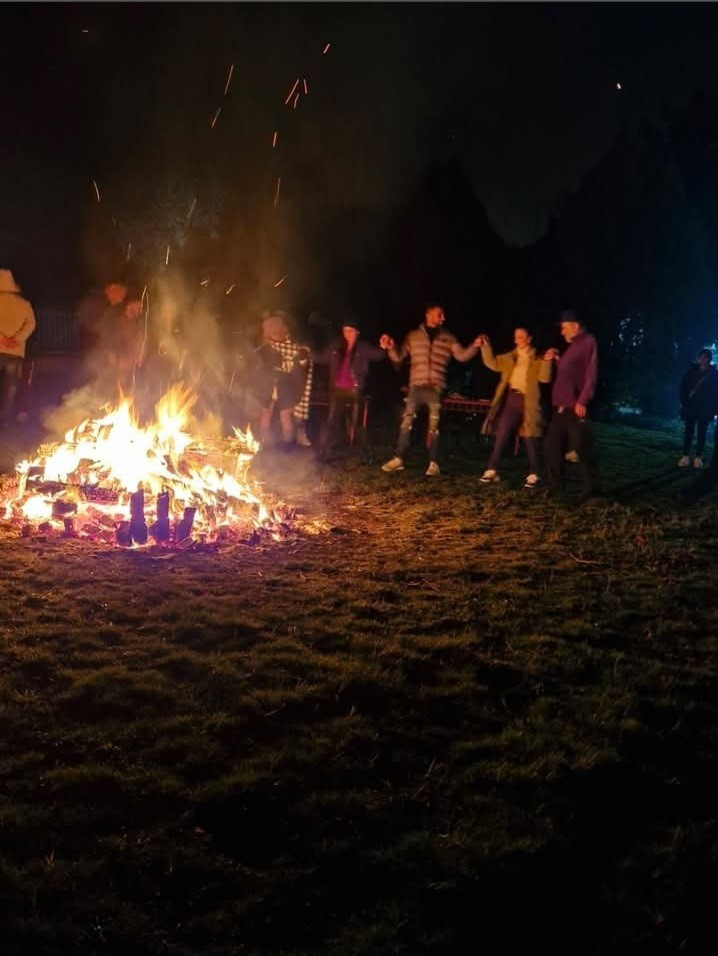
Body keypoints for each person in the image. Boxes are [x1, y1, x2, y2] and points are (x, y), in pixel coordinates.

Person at [381, 302, 482, 476]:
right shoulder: (412, 336)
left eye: (443, 315)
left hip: (436, 388)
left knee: (434, 425)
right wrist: (390, 346)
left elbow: (462, 356)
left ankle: (434, 463)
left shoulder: (448, 337)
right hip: (416, 386)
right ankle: (399, 458)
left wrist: (475, 345)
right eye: (439, 314)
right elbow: (398, 356)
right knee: (407, 422)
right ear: (428, 315)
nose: (443, 318)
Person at [476, 327, 553, 488]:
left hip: (529, 401)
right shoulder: (510, 358)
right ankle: (491, 470)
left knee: (530, 437)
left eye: (520, 337)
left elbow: (545, 379)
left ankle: (534, 474)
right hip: (512, 399)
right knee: (502, 433)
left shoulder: (537, 359)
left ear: (529, 339)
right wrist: (485, 346)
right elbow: (492, 363)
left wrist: (547, 361)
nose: (517, 340)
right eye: (516, 337)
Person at [313, 318, 387, 462]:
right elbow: (322, 357)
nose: (348, 333)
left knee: (357, 424)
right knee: (331, 421)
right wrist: (307, 353)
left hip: (355, 390)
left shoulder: (363, 347)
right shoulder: (336, 346)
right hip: (337, 390)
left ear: (357, 332)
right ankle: (323, 453)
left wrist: (384, 347)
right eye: (345, 330)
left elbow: (378, 355)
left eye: (351, 330)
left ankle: (365, 455)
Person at [543, 310, 599, 501]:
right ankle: (556, 487)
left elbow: (591, 375)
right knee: (552, 446)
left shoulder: (588, 342)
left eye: (564, 327)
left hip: (574, 407)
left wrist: (582, 400)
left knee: (581, 449)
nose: (562, 332)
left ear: (575, 326)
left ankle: (591, 488)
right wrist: (557, 358)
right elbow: (568, 372)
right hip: (560, 407)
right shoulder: (573, 346)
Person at [254, 311, 312, 447]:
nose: (272, 333)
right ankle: (264, 444)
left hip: (285, 386)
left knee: (285, 417)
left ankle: (287, 446)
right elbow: (258, 365)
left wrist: (303, 359)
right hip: (267, 385)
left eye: (275, 330)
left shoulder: (293, 348)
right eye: (269, 330)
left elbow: (301, 368)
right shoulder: (265, 348)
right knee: (265, 414)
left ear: (283, 330)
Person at [0, 269, 36, 428]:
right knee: (10, 388)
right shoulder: (24, 304)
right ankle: (4, 421)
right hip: (15, 352)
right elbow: (31, 324)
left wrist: (2, 339)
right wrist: (16, 339)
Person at [678, 348, 718, 469]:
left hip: (705, 408)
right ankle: (685, 456)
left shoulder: (714, 375)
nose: (704, 359)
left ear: (710, 359)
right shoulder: (691, 371)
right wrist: (684, 403)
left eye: (707, 357)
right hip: (691, 406)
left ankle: (698, 457)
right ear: (699, 358)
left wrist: (714, 409)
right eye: (702, 356)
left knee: (702, 434)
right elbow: (683, 388)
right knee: (688, 432)